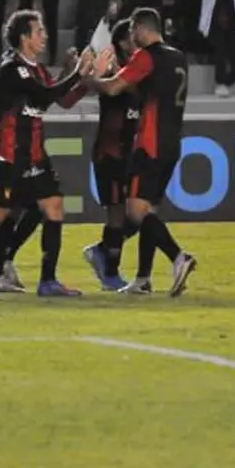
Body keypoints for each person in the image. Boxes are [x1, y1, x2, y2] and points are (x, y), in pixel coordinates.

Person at [0, 10, 92, 297]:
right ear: (24, 37)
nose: (44, 36)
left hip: (35, 153)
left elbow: (61, 99)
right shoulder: (12, 68)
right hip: (10, 153)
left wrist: (85, 79)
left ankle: (47, 281)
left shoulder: (37, 69)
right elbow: (45, 95)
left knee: (53, 207)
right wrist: (77, 73)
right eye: (39, 31)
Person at [82, 7, 197, 297]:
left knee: (135, 211)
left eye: (134, 29)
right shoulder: (178, 57)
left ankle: (178, 257)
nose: (132, 36)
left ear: (143, 29)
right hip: (172, 142)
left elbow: (113, 88)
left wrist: (89, 79)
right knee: (150, 211)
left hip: (149, 143)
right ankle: (143, 278)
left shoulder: (147, 57)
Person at [82, 18, 142, 291]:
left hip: (129, 152)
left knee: (139, 215)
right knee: (117, 214)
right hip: (110, 153)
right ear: (122, 43)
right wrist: (92, 74)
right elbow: (117, 87)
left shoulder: (137, 70)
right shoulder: (112, 73)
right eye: (132, 36)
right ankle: (110, 274)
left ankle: (101, 250)